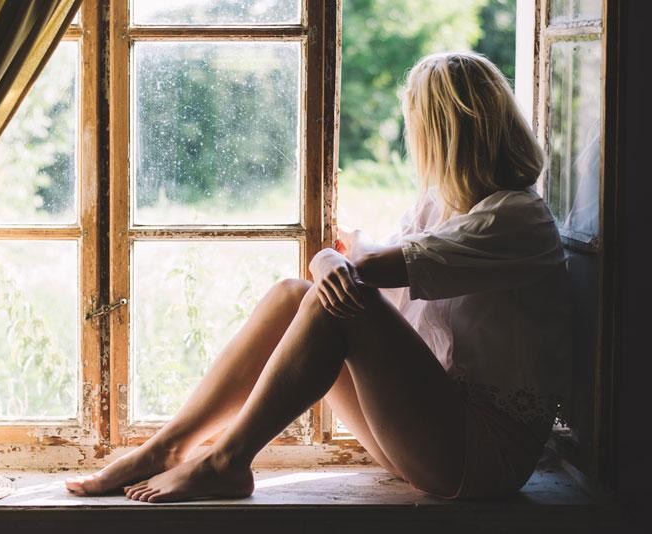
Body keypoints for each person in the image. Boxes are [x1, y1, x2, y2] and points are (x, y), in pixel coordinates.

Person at [65, 51, 571, 502]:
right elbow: (377, 267)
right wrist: (333, 261)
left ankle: (227, 461)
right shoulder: (440, 205)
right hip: (425, 435)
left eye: (415, 125)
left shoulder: (516, 217)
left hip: (478, 459)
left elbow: (367, 271)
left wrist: (328, 258)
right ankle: (167, 448)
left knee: (336, 299)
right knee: (294, 295)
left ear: (441, 133)